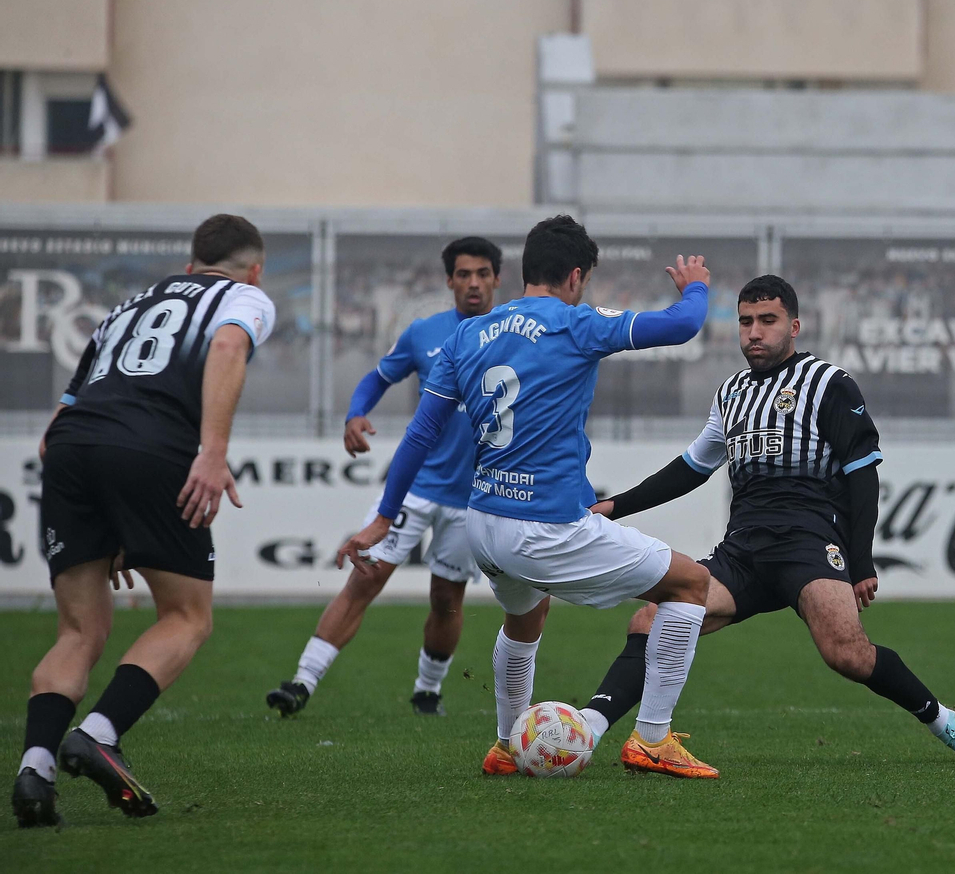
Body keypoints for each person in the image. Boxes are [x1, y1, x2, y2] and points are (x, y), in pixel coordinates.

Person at [335, 215, 721, 779]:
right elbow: (683, 324)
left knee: (525, 617)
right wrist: (696, 284)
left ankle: (506, 744)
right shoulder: (575, 324)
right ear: (574, 275)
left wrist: (383, 518)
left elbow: (420, 433)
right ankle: (653, 740)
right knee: (690, 584)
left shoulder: (467, 334)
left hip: (484, 523)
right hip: (547, 527)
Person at [576, 275, 955, 763]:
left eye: (767, 321)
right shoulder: (732, 392)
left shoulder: (829, 384)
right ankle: (587, 732)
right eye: (745, 322)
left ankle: (946, 722)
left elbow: (863, 476)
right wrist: (617, 506)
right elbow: (692, 468)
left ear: (794, 325)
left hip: (809, 544)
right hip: (743, 552)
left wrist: (861, 562)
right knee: (651, 619)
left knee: (846, 653)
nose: (754, 332)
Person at [13, 215, 276, 826]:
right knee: (187, 615)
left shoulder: (127, 306)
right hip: (152, 449)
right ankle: (99, 734)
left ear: (189, 264)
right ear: (254, 267)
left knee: (78, 632)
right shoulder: (242, 296)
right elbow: (230, 346)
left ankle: (35, 771)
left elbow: (60, 421)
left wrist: (115, 523)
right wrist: (211, 452)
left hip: (72, 449)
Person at [266, 237, 502, 718]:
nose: (473, 283)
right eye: (463, 274)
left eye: (482, 273)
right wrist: (356, 413)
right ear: (449, 281)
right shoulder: (424, 333)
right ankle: (301, 683)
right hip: (414, 487)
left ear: (497, 278)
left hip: (474, 497)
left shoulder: (513, 334)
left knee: (445, 599)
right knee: (364, 579)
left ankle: (427, 691)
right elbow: (377, 377)